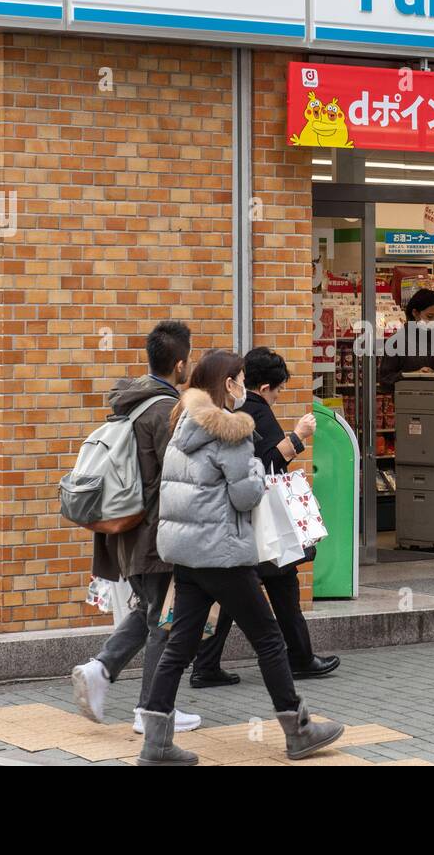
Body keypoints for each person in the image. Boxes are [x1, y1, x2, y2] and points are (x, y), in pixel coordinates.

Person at [137, 349, 344, 765]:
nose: (244, 388)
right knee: (268, 638)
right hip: (223, 553)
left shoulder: (182, 422)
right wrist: (252, 470)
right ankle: (298, 730)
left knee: (179, 645)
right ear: (228, 385)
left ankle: (156, 742)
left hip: (186, 554)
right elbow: (246, 494)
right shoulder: (231, 431)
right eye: (241, 380)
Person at [71, 321, 203, 734]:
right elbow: (179, 474)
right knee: (166, 621)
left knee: (150, 611)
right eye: (189, 361)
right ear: (180, 363)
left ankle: (102, 668)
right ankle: (152, 711)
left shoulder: (131, 403)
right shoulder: (165, 410)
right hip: (156, 537)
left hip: (131, 534)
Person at [191, 347, 339, 688]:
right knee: (272, 586)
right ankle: (296, 660)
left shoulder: (230, 412)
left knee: (253, 589)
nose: (280, 394)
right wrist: (299, 436)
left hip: (240, 524)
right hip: (259, 523)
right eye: (280, 388)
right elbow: (269, 464)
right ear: (266, 386)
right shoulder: (257, 411)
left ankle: (209, 664)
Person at [377, 288, 434, 389]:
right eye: (429, 316)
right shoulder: (396, 341)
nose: (433, 322)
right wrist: (413, 375)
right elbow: (385, 381)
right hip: (407, 402)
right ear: (415, 313)